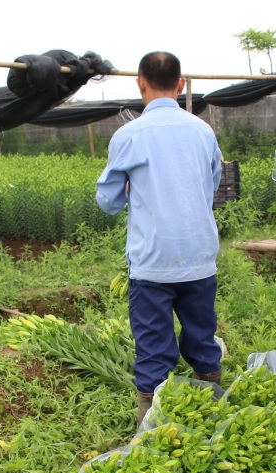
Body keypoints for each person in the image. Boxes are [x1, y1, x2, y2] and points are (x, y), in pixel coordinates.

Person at [95, 51, 224, 426]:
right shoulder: (202, 131)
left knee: (153, 347)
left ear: (140, 83)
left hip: (152, 263)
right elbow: (211, 185)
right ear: (181, 84)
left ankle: (149, 428)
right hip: (199, 256)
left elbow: (108, 201)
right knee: (203, 338)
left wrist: (131, 190)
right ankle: (211, 416)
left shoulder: (129, 136)